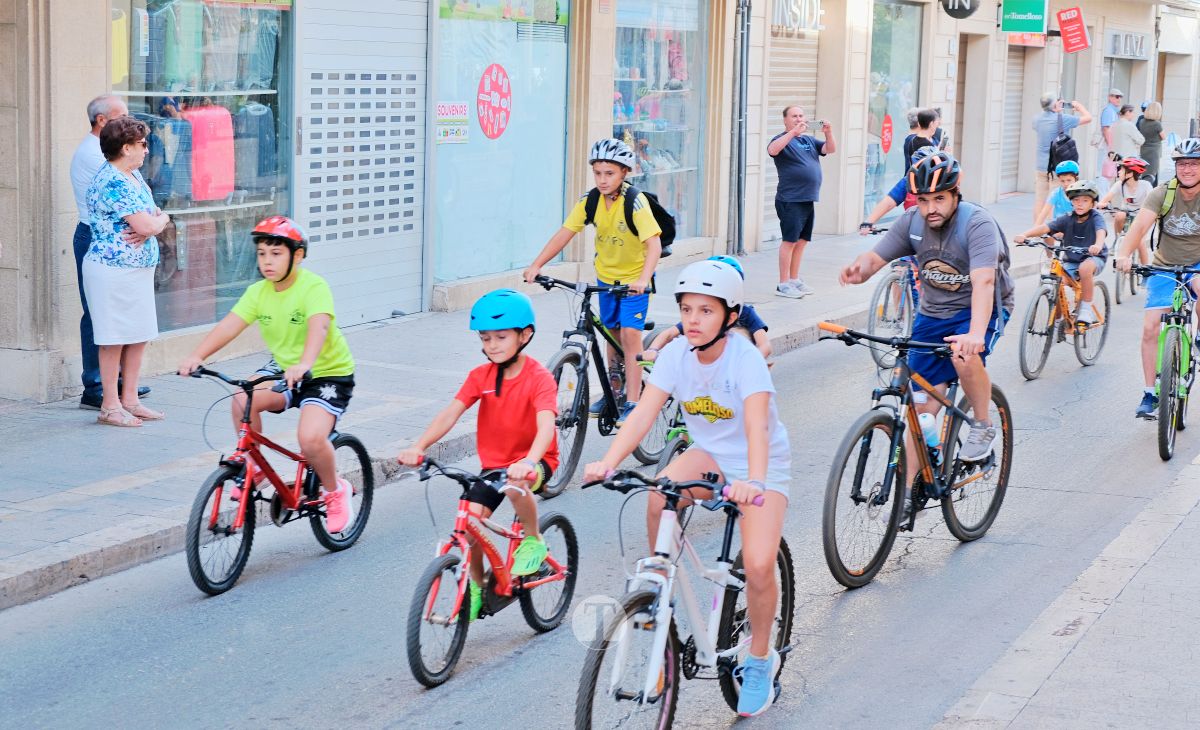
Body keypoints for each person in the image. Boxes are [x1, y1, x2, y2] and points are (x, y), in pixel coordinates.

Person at [583, 259, 791, 718]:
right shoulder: (677, 355)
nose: (694, 321)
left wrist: (753, 482)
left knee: (757, 564)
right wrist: (607, 462)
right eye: (687, 310)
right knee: (660, 494)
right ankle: (660, 605)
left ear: (730, 316)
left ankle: (759, 659)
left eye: (706, 311)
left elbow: (757, 428)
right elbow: (643, 413)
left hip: (761, 466)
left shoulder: (746, 361)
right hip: (712, 455)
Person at [839, 152, 1014, 514]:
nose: (930, 208)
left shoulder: (976, 225)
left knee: (964, 356)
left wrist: (976, 334)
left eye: (939, 199)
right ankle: (909, 493)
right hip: (933, 313)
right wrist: (860, 271)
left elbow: (984, 281)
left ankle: (982, 424)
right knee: (920, 407)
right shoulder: (912, 224)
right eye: (923, 200)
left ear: (955, 194)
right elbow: (876, 258)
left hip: (979, 310)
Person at [177, 216, 357, 532]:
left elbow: (320, 326)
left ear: (296, 256)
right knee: (240, 399)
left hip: (327, 374)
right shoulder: (259, 292)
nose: (267, 261)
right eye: (262, 253)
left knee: (310, 438)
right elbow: (230, 325)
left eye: (276, 253)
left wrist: (305, 363)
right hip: (286, 370)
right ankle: (254, 469)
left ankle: (335, 491)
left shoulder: (313, 286)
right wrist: (197, 355)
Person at [398, 290, 558, 620]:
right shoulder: (480, 377)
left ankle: (533, 540)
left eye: (501, 337)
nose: (492, 345)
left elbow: (546, 425)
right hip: (494, 465)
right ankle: (475, 585)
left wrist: (529, 461)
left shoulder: (539, 378)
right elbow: (450, 413)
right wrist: (419, 445)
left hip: (535, 461)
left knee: (517, 486)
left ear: (525, 335)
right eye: (485, 339)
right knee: (469, 520)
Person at [524, 138, 662, 426]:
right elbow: (565, 233)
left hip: (634, 281)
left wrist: (642, 279)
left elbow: (654, 245)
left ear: (624, 172)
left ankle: (634, 401)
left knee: (630, 335)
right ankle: (613, 392)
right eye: (597, 173)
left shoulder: (635, 202)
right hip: (606, 278)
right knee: (610, 334)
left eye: (609, 173)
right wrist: (538, 265)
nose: (602, 180)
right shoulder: (590, 201)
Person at [83, 116, 169, 427]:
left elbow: (155, 217)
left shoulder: (133, 177)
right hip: (112, 270)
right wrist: (156, 224)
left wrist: (157, 222)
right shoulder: (113, 180)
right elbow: (149, 222)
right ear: (125, 147)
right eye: (142, 145)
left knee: (138, 334)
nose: (147, 150)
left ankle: (130, 400)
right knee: (113, 337)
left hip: (136, 269)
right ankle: (110, 405)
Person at [70, 95, 152, 410]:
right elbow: (140, 217)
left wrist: (153, 222)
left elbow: (148, 210)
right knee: (101, 318)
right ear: (104, 121)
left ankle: (119, 391)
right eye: (122, 117)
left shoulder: (129, 167)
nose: (127, 120)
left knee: (123, 323)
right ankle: (98, 388)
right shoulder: (98, 159)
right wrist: (151, 224)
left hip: (125, 249)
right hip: (98, 239)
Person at [1115, 138, 1200, 418]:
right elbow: (1138, 227)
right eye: (1182, 164)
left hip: (1197, 264)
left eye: (1194, 164)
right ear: (1175, 167)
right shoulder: (1162, 194)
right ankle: (1150, 393)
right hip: (1164, 264)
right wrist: (1124, 255)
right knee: (1151, 328)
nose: (1188, 169)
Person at [640, 255, 772, 361]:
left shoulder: (746, 312)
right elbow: (668, 334)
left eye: (706, 311)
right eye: (686, 309)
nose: (693, 318)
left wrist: (751, 365)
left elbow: (764, 345)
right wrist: (652, 350)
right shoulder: (697, 316)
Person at [768, 105, 837, 299]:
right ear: (785, 120)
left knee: (802, 241)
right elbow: (772, 150)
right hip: (790, 199)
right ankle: (783, 284)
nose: (799, 119)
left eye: (801, 116)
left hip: (808, 198)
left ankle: (794, 279)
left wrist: (829, 133)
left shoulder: (808, 140)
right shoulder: (781, 139)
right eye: (794, 116)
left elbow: (829, 149)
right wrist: (792, 133)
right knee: (789, 241)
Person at [1015, 180, 1107, 324]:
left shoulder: (1096, 218)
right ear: (1071, 202)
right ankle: (1056, 317)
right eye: (1076, 200)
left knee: (1085, 268)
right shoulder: (1068, 218)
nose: (1080, 203)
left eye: (1085, 200)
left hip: (1094, 257)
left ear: (1093, 203)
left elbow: (1101, 231)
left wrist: (1098, 244)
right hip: (1071, 260)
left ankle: (1086, 308)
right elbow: (1045, 227)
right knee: (1054, 279)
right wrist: (1024, 235)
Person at [1031, 93, 1092, 220]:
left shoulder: (1036, 119)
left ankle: (1037, 232)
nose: (1062, 102)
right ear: (1054, 105)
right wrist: (1079, 107)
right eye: (1059, 101)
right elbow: (1088, 118)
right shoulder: (1062, 119)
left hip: (1040, 166)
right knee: (1053, 201)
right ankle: (1050, 232)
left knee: (1040, 201)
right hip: (1056, 167)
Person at [860, 145, 940, 232]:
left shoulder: (947, 181)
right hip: (914, 229)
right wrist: (869, 222)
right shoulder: (908, 181)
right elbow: (889, 202)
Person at [1099, 156, 1153, 267]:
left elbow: (1152, 201)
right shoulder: (1119, 185)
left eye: (1122, 170)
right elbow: (1106, 198)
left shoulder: (1145, 186)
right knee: (1119, 215)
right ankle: (1118, 239)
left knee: (1140, 243)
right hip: (1126, 213)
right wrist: (1102, 203)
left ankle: (1145, 271)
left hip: (1141, 216)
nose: (1118, 172)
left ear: (1129, 174)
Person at [1034, 160, 1082, 226]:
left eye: (1069, 180)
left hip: (1075, 227)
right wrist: (1035, 229)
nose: (1066, 184)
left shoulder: (1081, 193)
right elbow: (1044, 212)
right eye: (1062, 181)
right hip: (1059, 226)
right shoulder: (1056, 193)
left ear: (1076, 179)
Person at [1099, 89, 1124, 187]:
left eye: (1120, 97)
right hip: (1109, 145)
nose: (1119, 99)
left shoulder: (1114, 110)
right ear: (1110, 97)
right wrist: (1111, 147)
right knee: (1107, 174)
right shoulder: (1109, 110)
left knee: (1111, 173)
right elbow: (1106, 129)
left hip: (1111, 145)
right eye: (1117, 97)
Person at [1137, 102, 1166, 182]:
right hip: (1154, 152)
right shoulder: (1157, 124)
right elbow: (1164, 137)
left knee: (1144, 171)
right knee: (1152, 174)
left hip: (1143, 150)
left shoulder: (1141, 122)